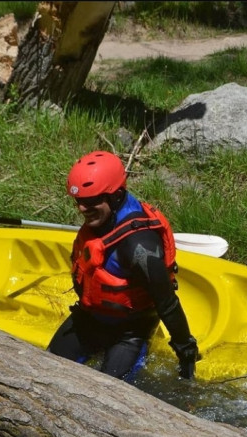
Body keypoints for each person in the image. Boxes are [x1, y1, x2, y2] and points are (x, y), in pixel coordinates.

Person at [47, 150, 198, 381]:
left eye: (91, 201)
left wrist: (186, 351)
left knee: (107, 392)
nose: (82, 209)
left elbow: (167, 303)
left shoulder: (139, 245)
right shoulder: (103, 215)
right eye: (78, 201)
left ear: (116, 195)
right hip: (89, 318)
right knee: (45, 367)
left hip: (129, 332)